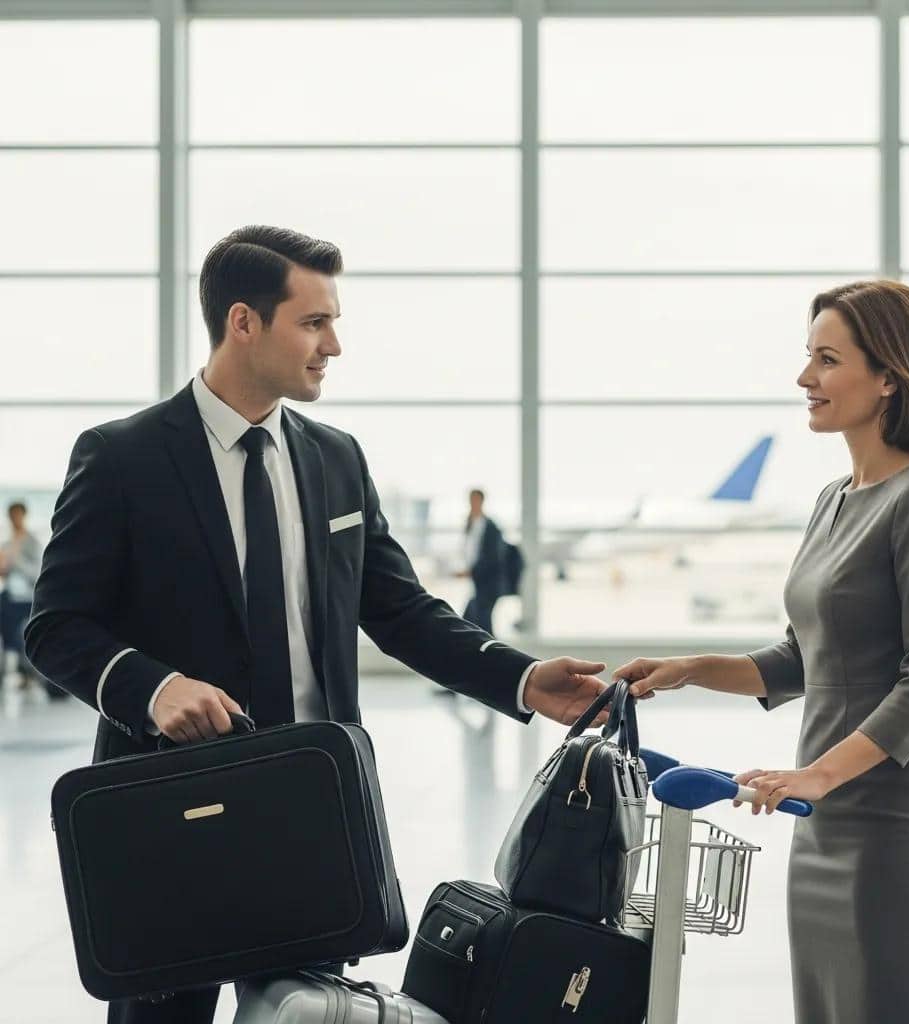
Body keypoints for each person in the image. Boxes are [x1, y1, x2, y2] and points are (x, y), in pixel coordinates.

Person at [25, 225, 607, 1024]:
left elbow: (399, 610)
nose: (333, 344)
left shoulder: (336, 458)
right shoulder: (122, 457)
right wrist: (150, 686)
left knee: (309, 1014)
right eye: (314, 322)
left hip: (310, 809)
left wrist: (518, 676)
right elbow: (55, 625)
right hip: (170, 810)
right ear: (243, 323)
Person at [617, 280, 909, 1024]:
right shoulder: (833, 499)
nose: (804, 379)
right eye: (808, 357)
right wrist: (689, 670)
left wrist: (816, 772)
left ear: (887, 378)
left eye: (826, 359)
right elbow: (802, 658)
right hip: (824, 820)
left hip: (898, 826)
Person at [0, 501, 43, 690]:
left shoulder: (32, 541)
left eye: (17, 515)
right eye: (11, 516)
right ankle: (14, 668)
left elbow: (37, 572)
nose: (14, 519)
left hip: (27, 597)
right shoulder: (7, 543)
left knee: (24, 634)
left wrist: (15, 560)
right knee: (8, 634)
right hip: (10, 595)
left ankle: (31, 672)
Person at [459, 488, 505, 634]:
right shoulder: (470, 522)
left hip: (488, 582)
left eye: (475, 500)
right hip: (478, 581)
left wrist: (471, 571)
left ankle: (492, 653)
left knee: (480, 621)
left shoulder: (490, 526)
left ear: (481, 501)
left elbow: (492, 557)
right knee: (472, 620)